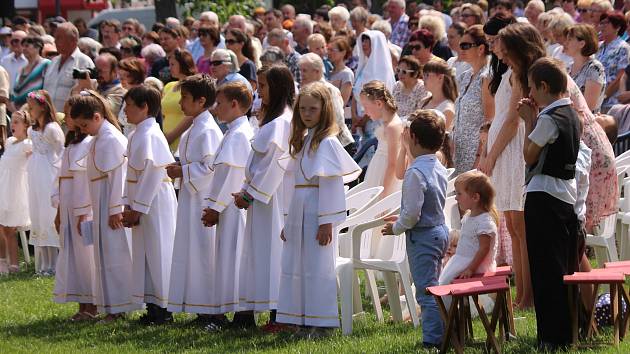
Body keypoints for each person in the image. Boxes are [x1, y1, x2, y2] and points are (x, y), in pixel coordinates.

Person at [275, 82, 361, 336]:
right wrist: (288, 221)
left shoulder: (327, 143)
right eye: (302, 109)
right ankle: (299, 318)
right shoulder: (304, 140)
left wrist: (327, 222)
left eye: (313, 109)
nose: (307, 114)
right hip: (300, 209)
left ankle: (321, 322)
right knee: (297, 265)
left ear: (324, 110)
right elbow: (292, 184)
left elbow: (331, 184)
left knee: (316, 266)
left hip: (316, 211)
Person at [517, 57, 581, 350]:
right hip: (565, 195)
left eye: (532, 88)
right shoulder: (571, 113)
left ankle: (551, 337)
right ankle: (566, 331)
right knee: (560, 268)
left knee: (545, 269)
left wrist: (530, 121)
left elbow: (529, 155)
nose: (529, 95)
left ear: (544, 86)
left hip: (544, 196)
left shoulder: (548, 118)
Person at [233, 65, 295, 331]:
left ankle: (277, 314)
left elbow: (274, 165)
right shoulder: (271, 118)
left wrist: (249, 194)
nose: (259, 91)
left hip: (271, 199)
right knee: (257, 253)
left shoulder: (281, 121)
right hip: (261, 197)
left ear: (279, 87)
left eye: (264, 85)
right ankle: (249, 312)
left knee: (271, 253)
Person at [382, 110, 448, 349]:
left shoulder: (415, 172)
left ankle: (433, 338)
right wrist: (403, 216)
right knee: (435, 284)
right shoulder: (437, 165)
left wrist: (396, 227)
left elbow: (413, 214)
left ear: (414, 139)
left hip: (423, 237)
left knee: (427, 290)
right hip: (439, 230)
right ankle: (444, 327)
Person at [479, 23, 534, 309]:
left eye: (503, 49)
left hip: (512, 150)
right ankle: (522, 293)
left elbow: (513, 122)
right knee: (512, 225)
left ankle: (528, 296)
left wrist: (491, 156)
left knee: (520, 225)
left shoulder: (520, 75)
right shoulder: (510, 73)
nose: (499, 54)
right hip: (505, 150)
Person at [70, 90, 136, 322]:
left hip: (110, 205)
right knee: (104, 257)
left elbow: (118, 177)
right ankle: (110, 306)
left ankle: (119, 307)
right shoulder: (99, 138)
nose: (82, 130)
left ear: (97, 117)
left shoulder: (111, 139)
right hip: (100, 203)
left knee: (115, 256)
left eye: (85, 124)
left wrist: (115, 209)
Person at [166, 74, 223, 324]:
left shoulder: (208, 129)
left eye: (186, 99)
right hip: (191, 197)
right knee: (194, 252)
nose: (181, 104)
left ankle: (212, 310)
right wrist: (179, 165)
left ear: (201, 101)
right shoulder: (195, 126)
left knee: (205, 253)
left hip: (203, 199)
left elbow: (211, 167)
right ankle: (201, 307)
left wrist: (184, 171)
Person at [200, 82, 255, 330]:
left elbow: (233, 177)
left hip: (233, 208)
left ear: (234, 104)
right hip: (228, 207)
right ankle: (232, 314)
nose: (215, 108)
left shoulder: (240, 134)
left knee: (235, 261)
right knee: (228, 260)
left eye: (220, 103)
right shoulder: (233, 131)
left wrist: (216, 208)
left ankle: (242, 316)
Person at [120, 86, 177, 325]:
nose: (125, 110)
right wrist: (126, 202)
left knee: (158, 251)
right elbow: (131, 174)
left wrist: (138, 207)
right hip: (141, 200)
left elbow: (153, 173)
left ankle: (163, 308)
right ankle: (152, 305)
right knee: (145, 253)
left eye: (130, 105)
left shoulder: (151, 134)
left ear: (144, 107)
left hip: (154, 201)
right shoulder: (137, 134)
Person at [52, 97, 96, 320]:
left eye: (70, 114)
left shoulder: (90, 143)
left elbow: (88, 180)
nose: (66, 118)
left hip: (83, 207)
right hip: (68, 206)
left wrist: (84, 210)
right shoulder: (71, 143)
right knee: (73, 255)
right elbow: (61, 179)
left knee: (86, 255)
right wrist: (59, 211)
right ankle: (81, 302)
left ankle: (93, 303)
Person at [26, 90, 63, 276]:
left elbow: (60, 153)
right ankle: (44, 265)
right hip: (35, 174)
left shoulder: (52, 129)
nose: (30, 110)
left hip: (48, 173)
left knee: (49, 213)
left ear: (43, 106)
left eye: (32, 106)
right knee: (38, 213)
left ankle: (56, 264)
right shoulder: (32, 130)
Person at [438, 171, 498, 284]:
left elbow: (484, 248)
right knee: (444, 282)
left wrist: (471, 269)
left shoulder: (484, 222)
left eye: (459, 194)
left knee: (448, 282)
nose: (456, 198)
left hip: (476, 266)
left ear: (475, 197)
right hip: (461, 261)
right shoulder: (469, 217)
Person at [453, 25, 491, 175]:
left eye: (465, 45)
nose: (460, 49)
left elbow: (489, 121)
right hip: (459, 152)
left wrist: (479, 157)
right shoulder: (465, 76)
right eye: (460, 45)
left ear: (481, 49)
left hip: (476, 154)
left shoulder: (487, 78)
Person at [298, 53, 354, 151]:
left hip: (337, 145)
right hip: (317, 143)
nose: (301, 74)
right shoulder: (304, 90)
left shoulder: (329, 90)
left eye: (305, 70)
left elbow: (337, 120)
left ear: (317, 71)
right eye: (301, 70)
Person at [0, 111, 32, 275]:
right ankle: (2, 261)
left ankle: (14, 264)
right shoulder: (10, 142)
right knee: (1, 226)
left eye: (17, 122)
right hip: (3, 187)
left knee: (10, 229)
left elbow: (31, 163)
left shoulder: (27, 144)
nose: (13, 125)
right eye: (12, 122)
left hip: (14, 190)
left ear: (26, 125)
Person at [360, 80, 403, 197]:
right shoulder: (386, 123)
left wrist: (385, 192)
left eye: (366, 106)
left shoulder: (392, 126)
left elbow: (393, 163)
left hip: (384, 172)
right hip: (378, 167)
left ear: (379, 104)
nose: (365, 111)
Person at [352, 30, 395, 140]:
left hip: (375, 122)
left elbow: (380, 99)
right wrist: (354, 116)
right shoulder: (363, 67)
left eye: (367, 40)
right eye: (363, 40)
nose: (364, 44)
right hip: (359, 122)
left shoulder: (383, 70)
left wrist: (364, 120)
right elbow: (355, 91)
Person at [42, 22, 94, 112]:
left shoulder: (84, 62)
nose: (55, 41)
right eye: (55, 37)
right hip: (50, 119)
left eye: (59, 38)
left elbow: (89, 94)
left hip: (71, 120)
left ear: (73, 40)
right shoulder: (54, 61)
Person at [565, 24, 606, 113]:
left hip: (585, 123)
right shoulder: (568, 68)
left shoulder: (594, 68)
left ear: (582, 44)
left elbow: (588, 107)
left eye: (570, 39)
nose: (566, 43)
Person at [162, 49, 196, 151]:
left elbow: (191, 116)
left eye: (173, 64)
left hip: (181, 139)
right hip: (165, 139)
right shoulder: (169, 86)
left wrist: (172, 136)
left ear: (183, 64)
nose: (169, 68)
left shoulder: (193, 86)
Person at [596, 11, 630, 112]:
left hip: (612, 102)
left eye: (607, 23)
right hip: (596, 98)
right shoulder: (599, 46)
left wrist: (604, 96)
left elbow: (621, 76)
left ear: (618, 27)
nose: (603, 26)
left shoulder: (623, 47)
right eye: (601, 23)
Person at [10, 36, 50, 109]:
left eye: (27, 46)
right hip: (19, 113)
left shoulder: (46, 64)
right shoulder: (21, 70)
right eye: (23, 46)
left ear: (38, 47)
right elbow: (14, 93)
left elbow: (48, 88)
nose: (24, 49)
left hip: (37, 109)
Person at [421, 61, 457, 130]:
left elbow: (441, 138)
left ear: (440, 77)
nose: (423, 79)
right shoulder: (424, 101)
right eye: (423, 75)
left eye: (427, 75)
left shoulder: (447, 110)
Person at [392, 55, 428, 120]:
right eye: (398, 70)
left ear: (415, 73)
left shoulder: (422, 88)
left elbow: (420, 114)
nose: (400, 74)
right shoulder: (397, 85)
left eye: (404, 72)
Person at [327, 37, 354, 105]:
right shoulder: (329, 72)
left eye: (332, 50)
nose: (329, 53)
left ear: (343, 52)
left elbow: (342, 102)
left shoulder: (347, 74)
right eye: (328, 49)